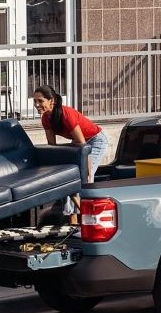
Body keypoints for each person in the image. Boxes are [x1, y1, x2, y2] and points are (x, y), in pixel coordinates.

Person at [32, 85, 111, 224]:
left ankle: (87, 220)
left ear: (51, 101)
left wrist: (86, 169)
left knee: (83, 178)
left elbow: (83, 145)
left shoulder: (66, 114)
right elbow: (52, 146)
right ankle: (72, 220)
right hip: (78, 144)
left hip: (94, 141)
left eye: (40, 101)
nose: (37, 105)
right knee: (67, 178)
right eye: (35, 101)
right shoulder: (46, 118)